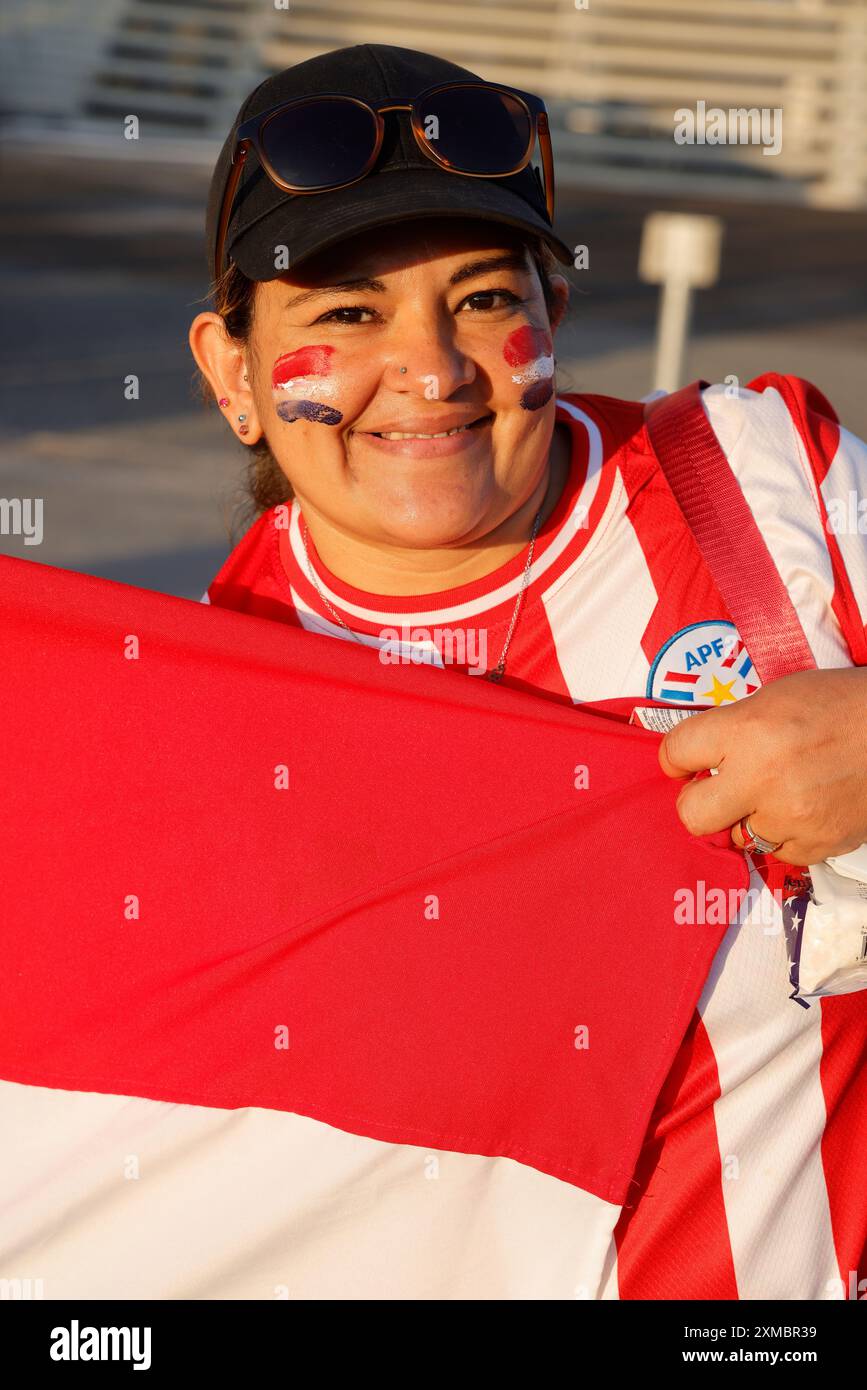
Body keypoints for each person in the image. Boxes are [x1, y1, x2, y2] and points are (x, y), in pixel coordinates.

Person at [188, 43, 867, 1298]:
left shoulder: (767, 490)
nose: (435, 372)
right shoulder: (204, 695)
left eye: (488, 300)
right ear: (233, 373)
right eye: (347, 312)